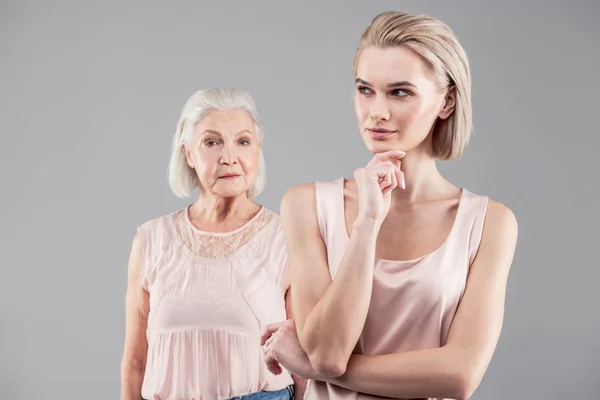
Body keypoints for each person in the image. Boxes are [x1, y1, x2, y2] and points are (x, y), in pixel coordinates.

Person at [260, 11, 518, 400]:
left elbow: (460, 376)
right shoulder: (306, 205)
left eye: (400, 92)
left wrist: (307, 365)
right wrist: (366, 224)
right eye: (365, 90)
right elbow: (329, 355)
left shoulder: (489, 223)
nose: (376, 112)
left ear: (447, 101)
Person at [120, 88, 302, 400]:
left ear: (257, 150)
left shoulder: (287, 238)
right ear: (188, 153)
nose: (229, 157)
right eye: (211, 142)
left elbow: (303, 362)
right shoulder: (151, 240)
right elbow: (136, 360)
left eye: (242, 142)